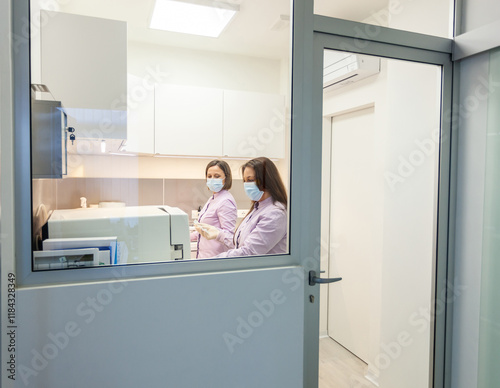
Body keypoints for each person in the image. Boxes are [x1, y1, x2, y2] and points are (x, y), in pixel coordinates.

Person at [196, 157, 287, 257]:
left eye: (250, 180)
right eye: (245, 181)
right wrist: (219, 234)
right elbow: (239, 244)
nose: (247, 185)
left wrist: (213, 260)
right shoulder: (257, 208)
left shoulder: (275, 214)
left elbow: (247, 252)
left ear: (267, 180)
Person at [191, 160, 237, 258]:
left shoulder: (226, 201)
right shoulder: (213, 199)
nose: (212, 179)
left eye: (217, 176)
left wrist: (217, 234)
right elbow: (206, 229)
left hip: (216, 259)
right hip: (204, 258)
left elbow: (230, 237)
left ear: (226, 178)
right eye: (209, 176)